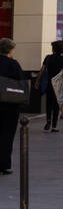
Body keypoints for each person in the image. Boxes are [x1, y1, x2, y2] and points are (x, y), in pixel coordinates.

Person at [0, 37, 24, 174]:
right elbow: (21, 82)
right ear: (10, 50)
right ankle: (4, 164)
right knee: (7, 134)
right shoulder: (13, 64)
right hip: (9, 104)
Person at [39, 41, 63, 132]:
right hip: (58, 85)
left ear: (53, 49)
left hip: (49, 83)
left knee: (48, 103)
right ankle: (54, 126)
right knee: (56, 104)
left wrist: (37, 81)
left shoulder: (48, 58)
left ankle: (48, 120)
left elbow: (42, 70)